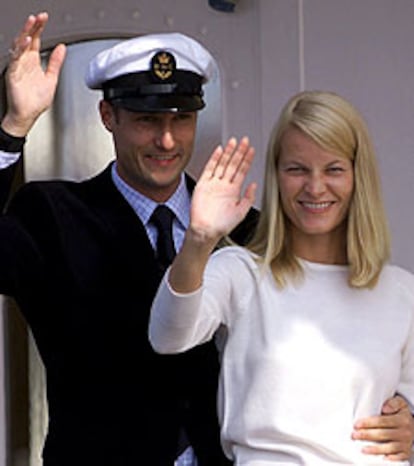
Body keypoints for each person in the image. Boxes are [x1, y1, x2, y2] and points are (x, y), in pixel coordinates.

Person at [0, 12, 412, 466]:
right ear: (107, 115)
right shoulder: (53, 215)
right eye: (145, 119)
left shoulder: (248, 231)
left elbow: (320, 351)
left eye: (182, 118)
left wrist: (404, 414)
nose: (167, 139)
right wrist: (13, 129)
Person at [149, 90, 414, 465]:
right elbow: (166, 336)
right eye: (297, 169)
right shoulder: (240, 273)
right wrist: (199, 238)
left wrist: (411, 428)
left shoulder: (402, 292)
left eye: (333, 169)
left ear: (359, 176)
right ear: (276, 175)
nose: (315, 187)